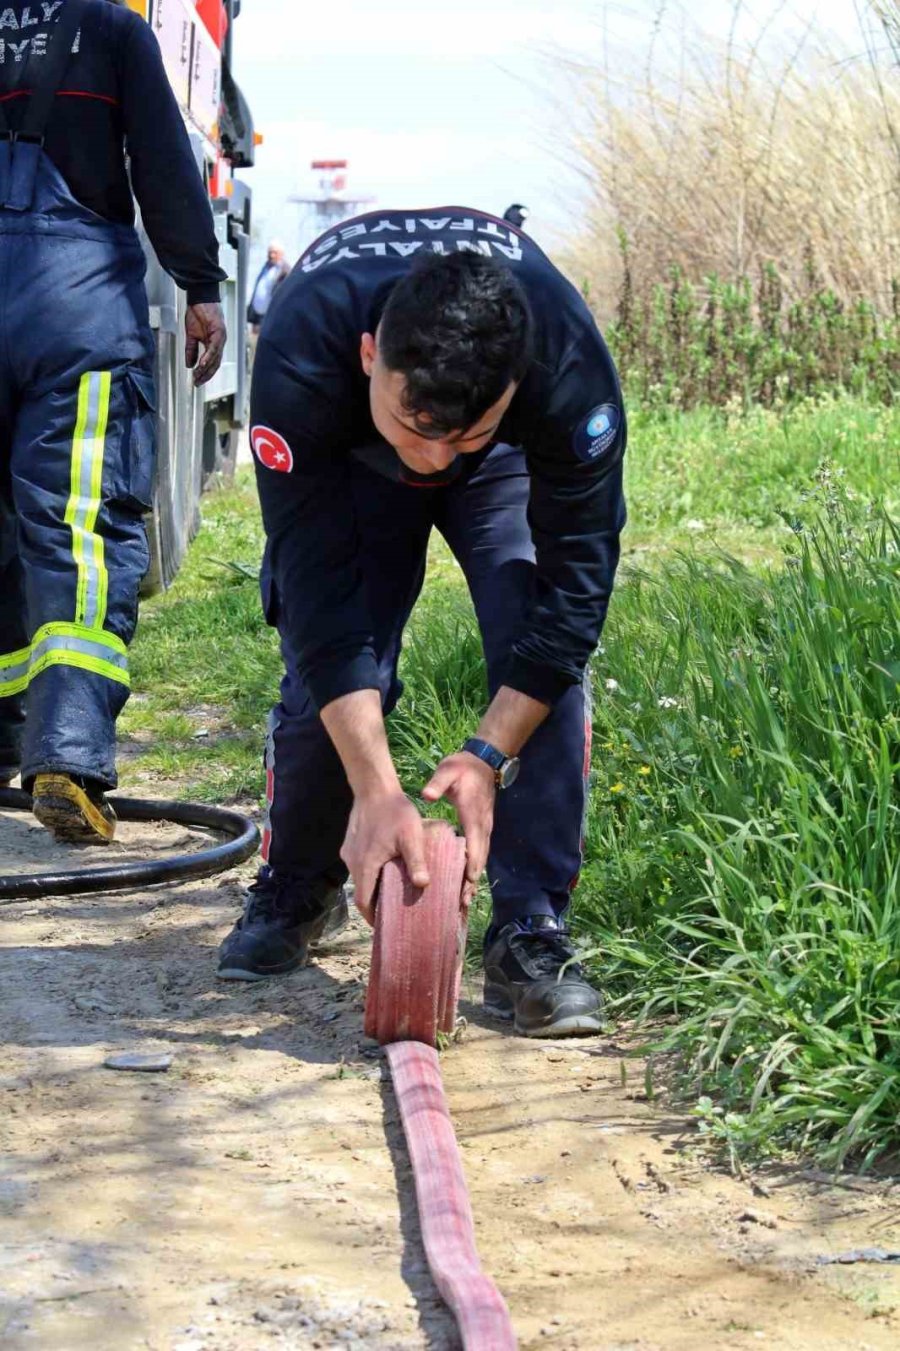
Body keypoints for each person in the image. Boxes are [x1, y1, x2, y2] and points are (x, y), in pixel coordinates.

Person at [219, 207, 626, 1039]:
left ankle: (529, 929)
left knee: (533, 640)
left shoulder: (567, 362)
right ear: (371, 354)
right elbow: (321, 601)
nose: (435, 458)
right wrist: (377, 788)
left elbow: (573, 598)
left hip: (503, 465)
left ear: (519, 383)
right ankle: (300, 880)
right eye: (420, 427)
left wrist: (487, 754)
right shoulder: (304, 345)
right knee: (332, 665)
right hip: (351, 454)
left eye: (462, 433)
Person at [0, 0, 226, 841]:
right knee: (77, 529)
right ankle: (67, 754)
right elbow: (164, 165)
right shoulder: (114, 30)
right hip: (76, 313)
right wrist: (200, 284)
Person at [247, 240, 291, 332]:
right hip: (258, 316)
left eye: (275, 252)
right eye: (270, 252)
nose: (271, 255)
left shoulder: (285, 270)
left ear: (281, 254)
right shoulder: (265, 267)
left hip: (272, 316)